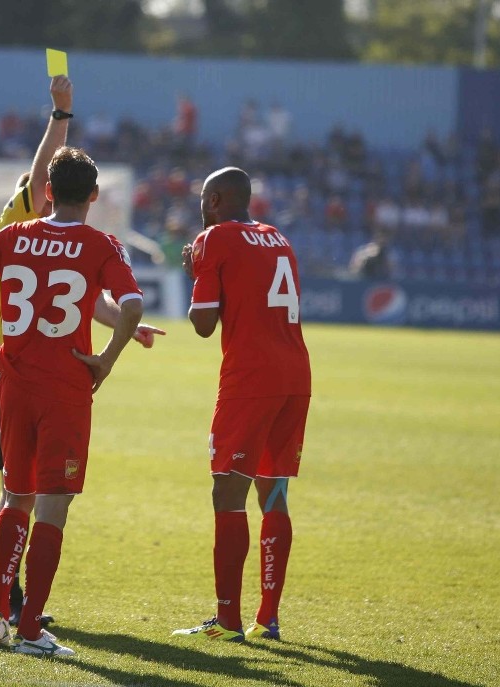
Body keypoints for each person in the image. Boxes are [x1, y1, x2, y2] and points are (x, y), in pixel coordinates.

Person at [0, 146, 144, 657]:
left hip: (16, 381)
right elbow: (133, 304)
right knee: (54, 502)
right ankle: (30, 629)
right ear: (94, 196)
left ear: (48, 192)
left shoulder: (14, 235)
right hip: (67, 387)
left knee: (16, 495)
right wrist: (107, 359)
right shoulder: (103, 245)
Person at [0, 75, 165, 630]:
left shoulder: (34, 237)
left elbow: (82, 301)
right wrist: (61, 115)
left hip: (25, 365)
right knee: (22, 492)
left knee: (25, 491)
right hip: (19, 367)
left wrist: (126, 328)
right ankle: (10, 601)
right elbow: (43, 177)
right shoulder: (24, 216)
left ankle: (8, 603)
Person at [173, 167, 311, 642]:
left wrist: (196, 273)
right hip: (295, 375)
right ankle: (267, 619)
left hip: (250, 380)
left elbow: (204, 323)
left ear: (214, 199)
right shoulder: (278, 237)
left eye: (201, 196)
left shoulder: (213, 239)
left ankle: (228, 620)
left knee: (227, 495)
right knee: (273, 494)